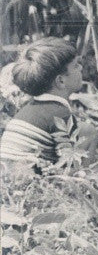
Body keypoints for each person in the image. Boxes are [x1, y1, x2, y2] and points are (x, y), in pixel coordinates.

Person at [0, 37, 84, 170]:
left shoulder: (28, 108)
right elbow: (69, 164)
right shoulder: (60, 114)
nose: (81, 67)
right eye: (75, 66)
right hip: (28, 182)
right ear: (61, 81)